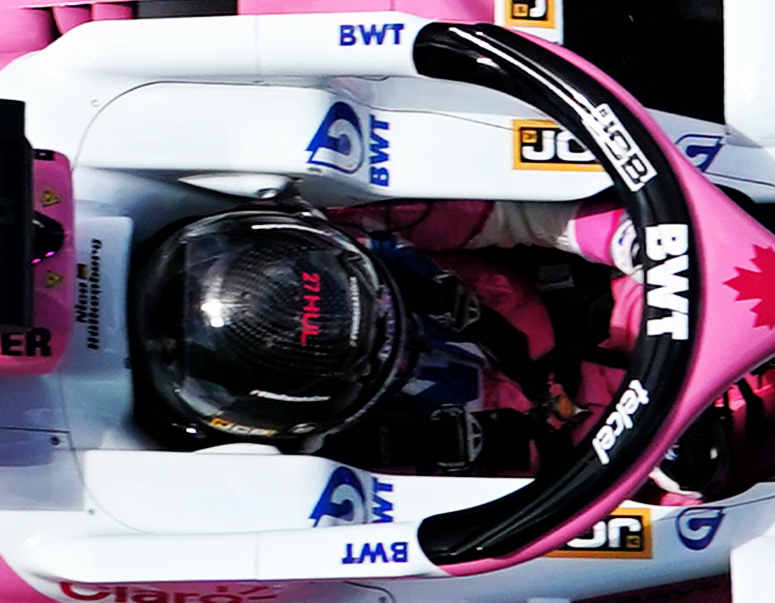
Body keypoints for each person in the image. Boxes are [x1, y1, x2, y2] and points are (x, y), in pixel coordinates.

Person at [125, 200, 625, 480]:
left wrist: (621, 238)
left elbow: (514, 211)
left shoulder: (350, 227)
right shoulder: (328, 477)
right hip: (583, 477)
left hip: (593, 310)